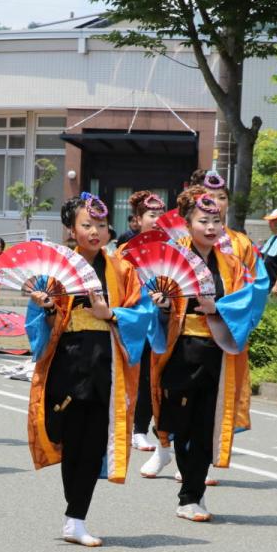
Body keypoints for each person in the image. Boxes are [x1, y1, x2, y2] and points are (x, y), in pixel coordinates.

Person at [26, 193, 154, 546]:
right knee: (71, 437)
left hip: (104, 365)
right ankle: (74, 513)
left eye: (100, 225)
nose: (95, 231)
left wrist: (110, 314)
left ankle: (76, 517)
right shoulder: (54, 269)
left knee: (94, 442)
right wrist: (48, 308)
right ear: (70, 230)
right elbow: (38, 326)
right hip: (67, 361)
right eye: (86, 225)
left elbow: (141, 315)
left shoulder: (123, 270)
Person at [147, 188, 269, 522]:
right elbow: (148, 296)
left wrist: (219, 307)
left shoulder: (232, 264)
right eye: (204, 221)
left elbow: (253, 297)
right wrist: (165, 303)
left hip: (217, 352)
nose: (212, 227)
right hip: (180, 350)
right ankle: (187, 486)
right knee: (181, 425)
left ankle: (192, 496)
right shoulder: (170, 259)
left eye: (217, 220)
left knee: (204, 426)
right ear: (187, 224)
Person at [115, 190, 167, 451]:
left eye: (160, 214)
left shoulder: (173, 249)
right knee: (141, 375)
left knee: (161, 377)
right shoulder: (124, 251)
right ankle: (137, 428)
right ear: (137, 219)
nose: (156, 220)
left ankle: (161, 429)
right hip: (136, 318)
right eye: (151, 215)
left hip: (164, 318)